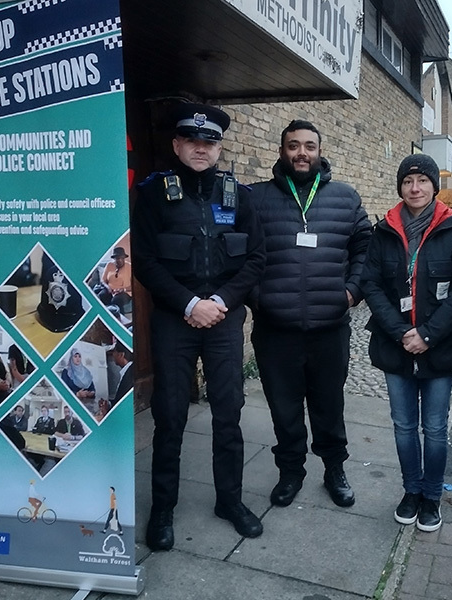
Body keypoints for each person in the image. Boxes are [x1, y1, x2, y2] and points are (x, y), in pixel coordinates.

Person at [132, 102, 265, 551]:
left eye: (209, 142)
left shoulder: (239, 196)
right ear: (176, 144)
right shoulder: (153, 193)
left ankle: (229, 501)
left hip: (224, 320)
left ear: (219, 147)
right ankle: (163, 509)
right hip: (175, 321)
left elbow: (256, 260)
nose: (201, 148)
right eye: (192, 140)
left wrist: (221, 301)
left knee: (229, 414)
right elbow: (146, 262)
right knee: (170, 417)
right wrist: (190, 302)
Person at [248, 119, 371, 509]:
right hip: (275, 329)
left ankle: (334, 468)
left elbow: (366, 250)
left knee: (329, 405)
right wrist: (258, 297)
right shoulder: (256, 198)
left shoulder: (346, 198)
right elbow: (237, 253)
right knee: (283, 408)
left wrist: (352, 293)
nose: (302, 153)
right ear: (282, 151)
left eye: (309, 146)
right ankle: (291, 472)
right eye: (294, 146)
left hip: (329, 328)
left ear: (320, 151)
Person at [361, 154, 452, 533]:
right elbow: (371, 284)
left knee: (436, 427)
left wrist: (427, 334)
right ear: (400, 187)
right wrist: (400, 332)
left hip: (440, 345)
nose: (415, 188)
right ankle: (411, 491)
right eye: (408, 181)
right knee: (403, 426)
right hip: (396, 344)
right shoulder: (384, 231)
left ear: (433, 186)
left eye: (422, 181)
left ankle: (431, 497)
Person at [99, 247, 133, 312]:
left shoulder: (129, 267)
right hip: (110, 290)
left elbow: (134, 285)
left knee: (116, 300)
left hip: (125, 292)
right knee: (102, 295)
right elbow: (103, 280)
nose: (120, 260)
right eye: (117, 258)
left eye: (122, 258)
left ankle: (118, 318)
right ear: (114, 258)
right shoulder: (109, 265)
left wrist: (123, 289)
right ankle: (106, 315)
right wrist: (108, 287)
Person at [110, 341, 133, 407]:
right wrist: (109, 404)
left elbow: (122, 403)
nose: (113, 355)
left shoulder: (129, 375)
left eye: (114, 352)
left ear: (121, 355)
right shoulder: (127, 371)